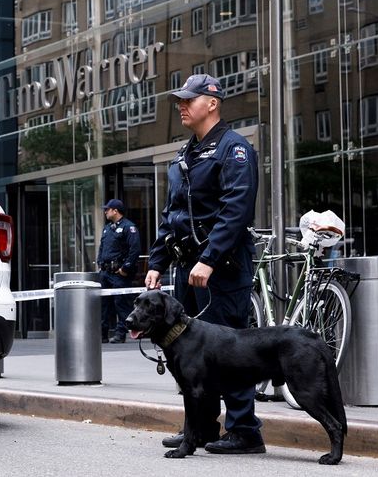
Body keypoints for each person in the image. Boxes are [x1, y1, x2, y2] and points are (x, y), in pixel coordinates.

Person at [144, 74, 264, 455]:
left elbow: (235, 211)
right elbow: (172, 214)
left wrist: (209, 259)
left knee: (232, 351)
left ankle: (245, 430)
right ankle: (199, 429)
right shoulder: (185, 154)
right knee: (193, 354)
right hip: (187, 268)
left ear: (212, 103)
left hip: (221, 268)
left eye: (188, 100)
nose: (181, 106)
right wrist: (157, 261)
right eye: (180, 101)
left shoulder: (233, 149)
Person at [96, 199, 141, 344]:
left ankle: (120, 334)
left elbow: (135, 250)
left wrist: (125, 268)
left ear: (115, 211)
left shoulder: (129, 227)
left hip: (119, 273)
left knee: (121, 303)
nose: (105, 212)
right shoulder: (107, 228)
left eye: (107, 209)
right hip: (105, 272)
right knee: (104, 304)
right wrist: (100, 263)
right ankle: (102, 334)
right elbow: (102, 248)